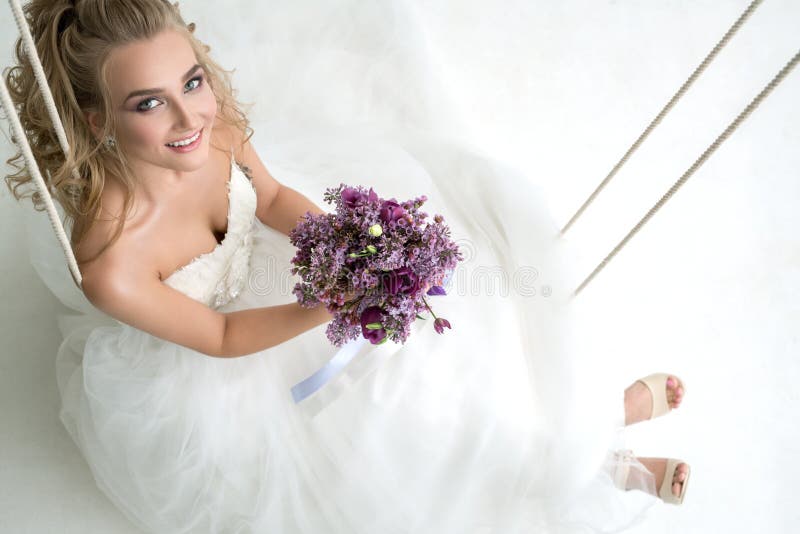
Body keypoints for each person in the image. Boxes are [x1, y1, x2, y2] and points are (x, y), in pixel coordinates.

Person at [5, 1, 689, 532]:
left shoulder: (216, 132)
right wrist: (336, 303)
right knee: (392, 422)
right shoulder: (112, 265)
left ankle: (585, 431)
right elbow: (219, 339)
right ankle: (600, 459)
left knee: (455, 343)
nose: (190, 117)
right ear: (94, 122)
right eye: (149, 103)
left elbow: (268, 197)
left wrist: (347, 245)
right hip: (231, 354)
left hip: (295, 268)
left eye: (191, 81)